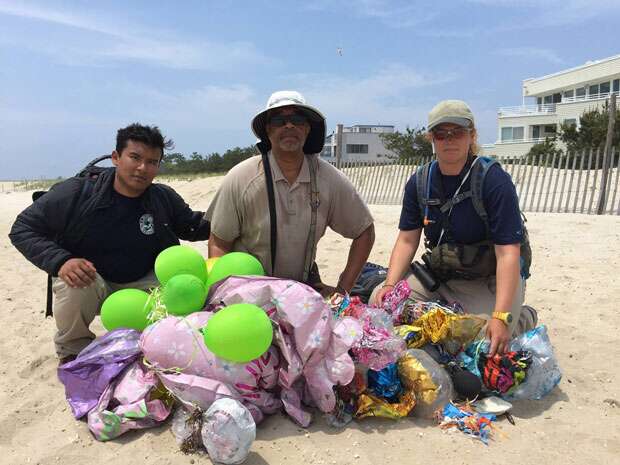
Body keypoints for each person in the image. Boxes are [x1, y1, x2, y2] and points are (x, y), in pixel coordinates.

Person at [9, 123, 210, 364]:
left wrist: (233, 217)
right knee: (72, 280)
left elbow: (193, 226)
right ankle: (73, 351)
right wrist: (61, 261)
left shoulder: (162, 197)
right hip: (94, 280)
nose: (142, 168)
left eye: (152, 162)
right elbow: (22, 228)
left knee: (184, 287)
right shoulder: (77, 192)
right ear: (116, 157)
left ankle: (160, 343)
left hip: (145, 282)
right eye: (134, 157)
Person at [370, 100, 537, 356]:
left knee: (482, 340)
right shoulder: (420, 182)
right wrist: (390, 286)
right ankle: (445, 315)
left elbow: (508, 254)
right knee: (379, 305)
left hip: (490, 279)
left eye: (457, 132)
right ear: (431, 139)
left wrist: (502, 317)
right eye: (441, 133)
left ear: (472, 135)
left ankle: (522, 317)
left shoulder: (493, 181)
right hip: (444, 276)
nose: (449, 140)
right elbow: (406, 240)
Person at [206, 90, 375, 296]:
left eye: (296, 119)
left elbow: (364, 231)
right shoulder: (242, 177)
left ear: (307, 128)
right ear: (268, 130)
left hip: (303, 287)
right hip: (249, 289)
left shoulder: (329, 178)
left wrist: (343, 289)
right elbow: (219, 242)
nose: (289, 126)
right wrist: (222, 291)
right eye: (279, 120)